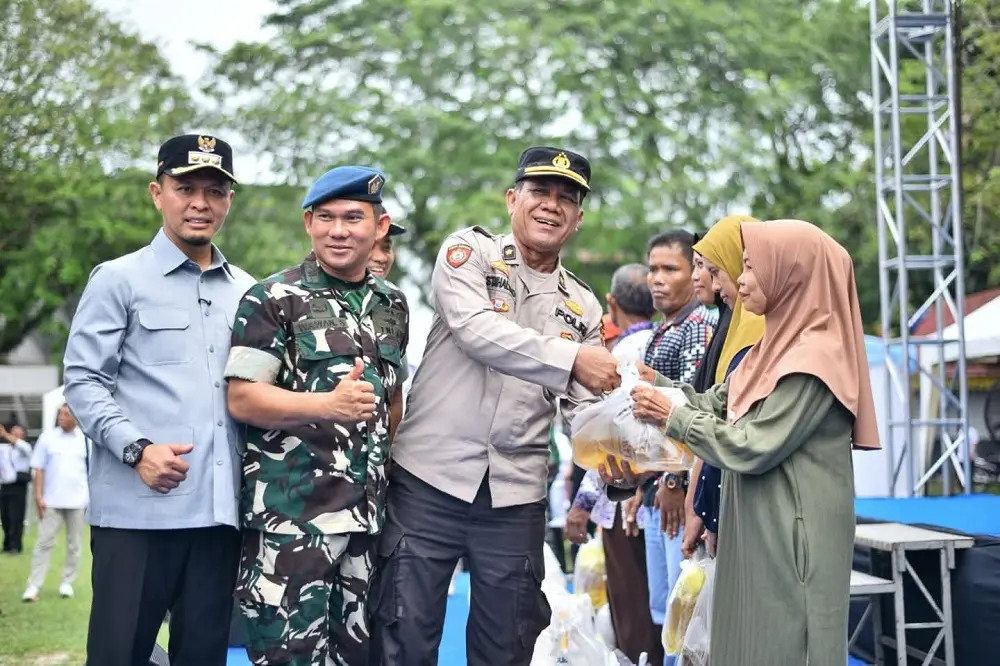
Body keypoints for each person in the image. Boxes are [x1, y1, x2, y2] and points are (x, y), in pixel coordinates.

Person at [370, 146, 621, 666]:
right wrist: (573, 358)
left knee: (506, 645)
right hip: (428, 480)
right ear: (512, 200)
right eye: (539, 191)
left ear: (577, 219)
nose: (551, 205)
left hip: (515, 495)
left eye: (567, 198)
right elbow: (476, 332)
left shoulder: (583, 304)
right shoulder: (470, 252)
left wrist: (618, 457)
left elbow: (582, 407)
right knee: (403, 637)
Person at [627, 219, 880, 665]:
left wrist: (671, 416)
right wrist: (655, 385)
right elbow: (715, 403)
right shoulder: (771, 349)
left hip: (793, 538)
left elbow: (752, 446)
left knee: (787, 646)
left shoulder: (814, 360)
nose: (738, 280)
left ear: (791, 274)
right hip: (760, 530)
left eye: (750, 267)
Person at [63, 134, 255, 666]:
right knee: (120, 655)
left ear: (229, 200)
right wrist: (137, 450)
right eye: (185, 188)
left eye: (214, 191)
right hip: (137, 518)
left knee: (203, 656)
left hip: (218, 520)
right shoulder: (118, 280)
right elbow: (83, 381)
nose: (200, 203)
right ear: (157, 193)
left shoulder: (248, 291)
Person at [224, 165, 409, 666]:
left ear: (380, 226)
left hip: (367, 523)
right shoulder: (272, 298)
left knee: (358, 656)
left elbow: (392, 400)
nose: (338, 230)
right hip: (292, 523)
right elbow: (242, 398)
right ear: (308, 223)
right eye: (325, 217)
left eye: (353, 217)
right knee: (290, 657)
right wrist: (326, 406)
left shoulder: (393, 304)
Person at [566, 263, 663, 665]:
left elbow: (607, 442)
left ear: (612, 303)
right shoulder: (659, 339)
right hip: (656, 492)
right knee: (657, 605)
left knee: (633, 608)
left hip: (623, 497)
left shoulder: (620, 355)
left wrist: (582, 505)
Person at [634, 230, 714, 666]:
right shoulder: (664, 328)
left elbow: (689, 411)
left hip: (678, 490)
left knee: (682, 615)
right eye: (653, 269)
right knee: (664, 610)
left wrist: (672, 481)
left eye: (671, 269)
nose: (658, 279)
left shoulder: (696, 326)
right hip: (656, 488)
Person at [683, 215, 765, 558]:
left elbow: (734, 431)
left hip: (742, 508)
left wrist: (704, 509)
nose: (712, 284)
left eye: (713, 269)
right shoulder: (732, 325)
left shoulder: (757, 333)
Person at [21, 404, 89, 602]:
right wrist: (38, 496)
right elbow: (39, 468)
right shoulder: (47, 438)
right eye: (60, 413)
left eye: (66, 414)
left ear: (76, 417)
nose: (62, 417)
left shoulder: (85, 440)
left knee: (74, 544)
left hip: (78, 500)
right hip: (51, 500)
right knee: (44, 542)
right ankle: (34, 585)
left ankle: (67, 582)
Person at [0, 422, 32, 554]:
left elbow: (21, 445)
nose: (13, 436)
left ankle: (16, 546)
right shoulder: (4, 449)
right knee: (5, 517)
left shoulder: (25, 447)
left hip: (18, 486)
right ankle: (7, 544)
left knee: (16, 517)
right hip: (5, 485)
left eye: (17, 434)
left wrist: (5, 434)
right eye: (12, 433)